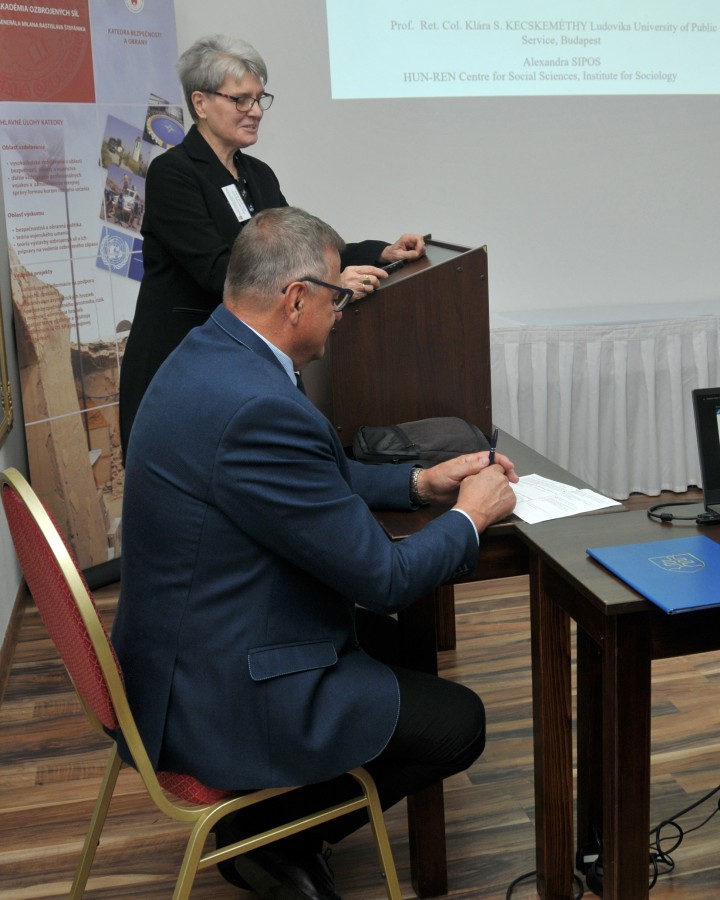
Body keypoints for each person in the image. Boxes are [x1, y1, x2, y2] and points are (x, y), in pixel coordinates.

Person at [112, 207, 518, 900]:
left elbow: (307, 476)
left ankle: (282, 835)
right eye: (337, 297)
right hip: (218, 689)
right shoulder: (258, 406)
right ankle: (267, 836)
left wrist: (418, 482)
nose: (341, 314)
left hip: (186, 645)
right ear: (296, 298)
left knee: (401, 649)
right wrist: (471, 517)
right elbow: (385, 578)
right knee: (459, 723)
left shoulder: (210, 350)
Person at [118, 34, 426, 462]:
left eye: (260, 99)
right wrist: (330, 285)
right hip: (185, 364)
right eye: (241, 100)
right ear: (201, 103)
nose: (256, 111)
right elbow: (222, 273)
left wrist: (380, 253)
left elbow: (301, 250)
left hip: (245, 365)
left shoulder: (257, 174)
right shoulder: (173, 174)